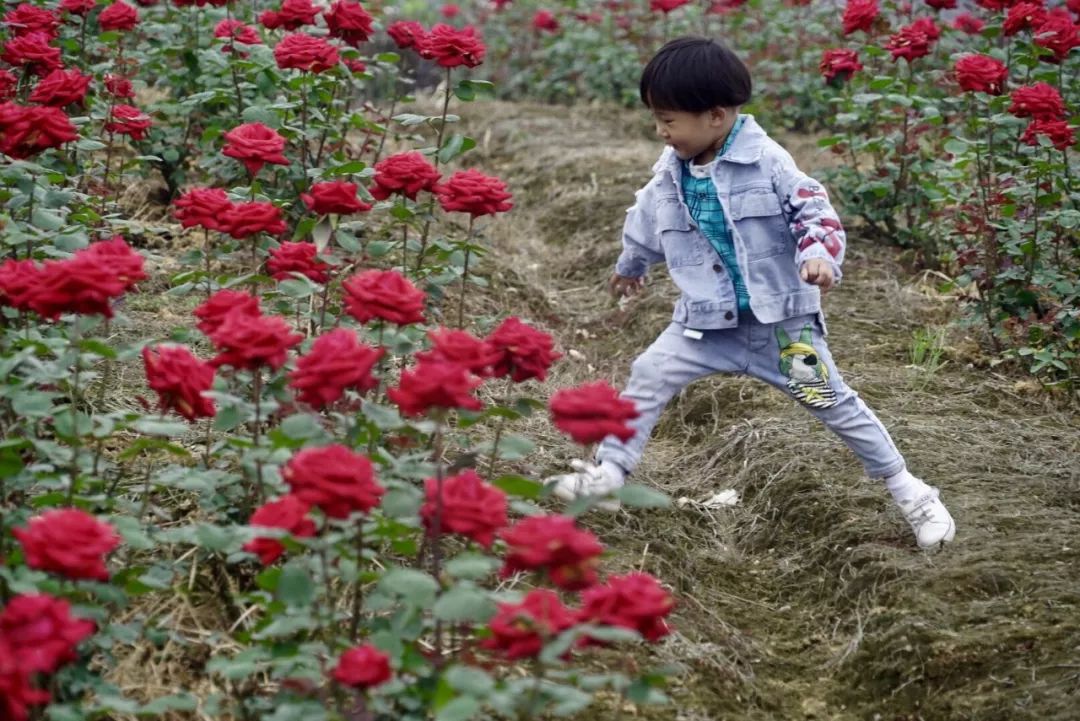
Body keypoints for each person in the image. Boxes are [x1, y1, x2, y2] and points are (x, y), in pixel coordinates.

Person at [546, 37, 955, 549]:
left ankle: (912, 493)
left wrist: (818, 256)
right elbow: (646, 221)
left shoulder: (769, 162)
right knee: (648, 374)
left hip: (782, 328)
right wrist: (631, 266)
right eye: (657, 119)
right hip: (703, 324)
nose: (660, 132)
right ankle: (609, 474)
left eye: (669, 120)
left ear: (715, 116)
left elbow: (814, 211)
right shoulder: (670, 174)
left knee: (833, 403)